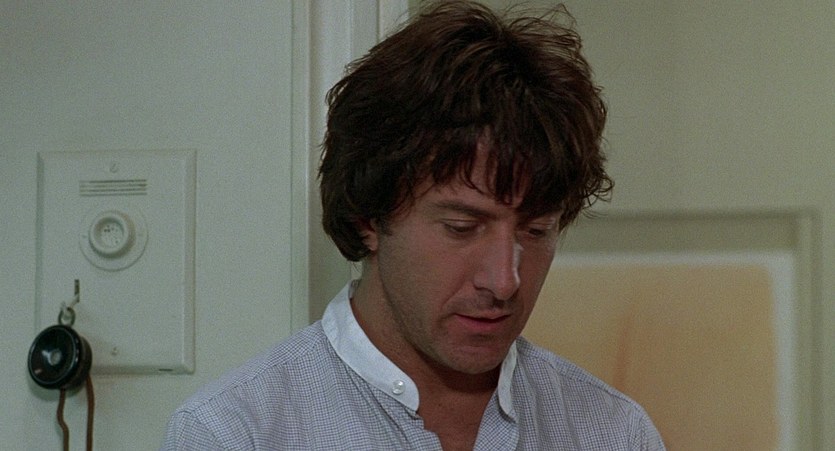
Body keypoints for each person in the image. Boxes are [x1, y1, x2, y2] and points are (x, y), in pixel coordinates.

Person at [162, 1, 665, 449]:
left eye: (535, 231)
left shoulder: (613, 433)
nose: (504, 281)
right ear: (368, 217)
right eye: (462, 227)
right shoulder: (235, 434)